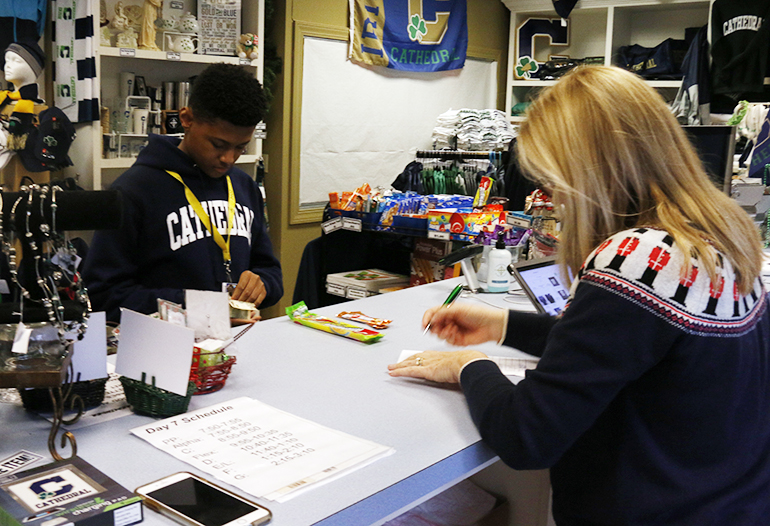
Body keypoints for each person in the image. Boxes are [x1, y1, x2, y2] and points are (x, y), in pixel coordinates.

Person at [389, 66, 770, 525]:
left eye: (554, 180)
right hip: (727, 502)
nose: (549, 196)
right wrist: (504, 326)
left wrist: (470, 367)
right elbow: (627, 348)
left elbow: (527, 437)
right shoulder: (716, 236)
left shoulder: (637, 258)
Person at [83, 63, 283, 323]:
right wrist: (197, 308)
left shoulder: (244, 187)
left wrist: (263, 284)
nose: (228, 158)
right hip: (162, 355)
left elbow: (270, 271)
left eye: (241, 147)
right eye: (218, 144)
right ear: (186, 119)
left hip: (236, 348)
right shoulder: (132, 191)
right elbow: (103, 295)